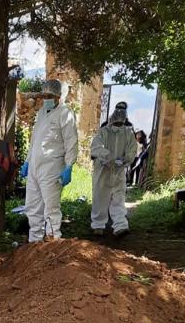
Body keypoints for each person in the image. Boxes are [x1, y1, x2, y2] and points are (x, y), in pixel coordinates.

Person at [20, 79, 78, 242]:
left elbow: (71, 141)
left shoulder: (65, 113)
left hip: (52, 168)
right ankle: (34, 242)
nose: (46, 99)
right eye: (44, 95)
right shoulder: (41, 114)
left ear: (58, 96)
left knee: (51, 208)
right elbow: (35, 140)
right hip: (34, 168)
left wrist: (69, 166)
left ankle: (53, 241)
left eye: (49, 96)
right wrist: (27, 161)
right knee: (32, 206)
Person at [90, 107, 138, 237]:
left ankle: (120, 225)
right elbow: (96, 147)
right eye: (116, 124)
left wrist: (125, 159)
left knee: (118, 197)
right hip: (103, 170)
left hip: (119, 170)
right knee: (100, 196)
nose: (118, 126)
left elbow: (132, 149)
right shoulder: (103, 132)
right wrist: (108, 156)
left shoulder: (128, 134)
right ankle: (98, 225)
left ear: (124, 122)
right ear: (111, 121)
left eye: (120, 124)